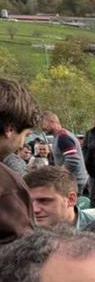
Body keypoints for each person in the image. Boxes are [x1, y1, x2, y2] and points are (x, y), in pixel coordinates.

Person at [0, 77, 37, 243]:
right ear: (10, 128)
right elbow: (21, 251)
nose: (22, 144)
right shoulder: (8, 187)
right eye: (26, 135)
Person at [24, 166, 95, 230]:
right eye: (29, 201)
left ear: (71, 200)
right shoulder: (23, 231)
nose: (35, 209)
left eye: (44, 201)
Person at [42, 110, 88, 195]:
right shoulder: (59, 136)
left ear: (52, 122)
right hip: (72, 180)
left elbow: (73, 160)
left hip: (74, 181)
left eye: (43, 123)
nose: (42, 127)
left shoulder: (63, 137)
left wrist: (58, 172)